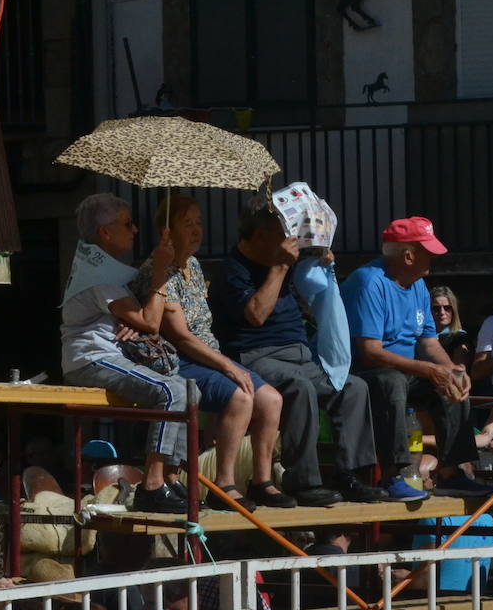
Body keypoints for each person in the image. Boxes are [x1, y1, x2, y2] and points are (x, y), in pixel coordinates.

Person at [209, 197, 386, 506]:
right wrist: (280, 267)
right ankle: (302, 480)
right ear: (260, 235)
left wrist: (319, 263)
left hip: (300, 354)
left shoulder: (282, 263)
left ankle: (351, 474)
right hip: (255, 356)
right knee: (299, 388)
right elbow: (256, 314)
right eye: (283, 233)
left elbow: (312, 299)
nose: (289, 242)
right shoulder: (232, 271)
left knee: (353, 387)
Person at [136, 195, 286, 510]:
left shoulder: (192, 264)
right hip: (182, 361)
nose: (196, 230)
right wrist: (228, 367)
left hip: (211, 356)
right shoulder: (157, 270)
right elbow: (182, 338)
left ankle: (261, 481)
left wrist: (225, 364)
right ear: (167, 231)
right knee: (240, 396)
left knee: (271, 399)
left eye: (199, 223)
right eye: (186, 224)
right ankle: (224, 484)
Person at [59, 194, 191, 514]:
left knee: (190, 390)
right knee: (171, 391)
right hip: (90, 358)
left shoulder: (102, 267)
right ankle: (153, 485)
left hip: (109, 354)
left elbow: (145, 323)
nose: (135, 230)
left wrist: (138, 322)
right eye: (128, 224)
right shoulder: (97, 273)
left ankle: (171, 478)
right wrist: (160, 269)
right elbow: (151, 320)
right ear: (104, 232)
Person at [340, 216, 488, 500]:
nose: (433, 257)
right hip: (364, 372)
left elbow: (429, 342)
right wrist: (431, 370)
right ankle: (393, 474)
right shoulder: (369, 283)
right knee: (392, 382)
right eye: (428, 251)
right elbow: (370, 353)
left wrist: (452, 369)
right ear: (408, 255)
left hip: (405, 370)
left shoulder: (418, 284)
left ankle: (452, 471)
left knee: (452, 382)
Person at [429, 285, 472, 366]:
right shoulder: (422, 336)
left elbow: (457, 373)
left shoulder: (460, 338)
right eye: (436, 308)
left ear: (453, 310)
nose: (442, 312)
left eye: (447, 308)